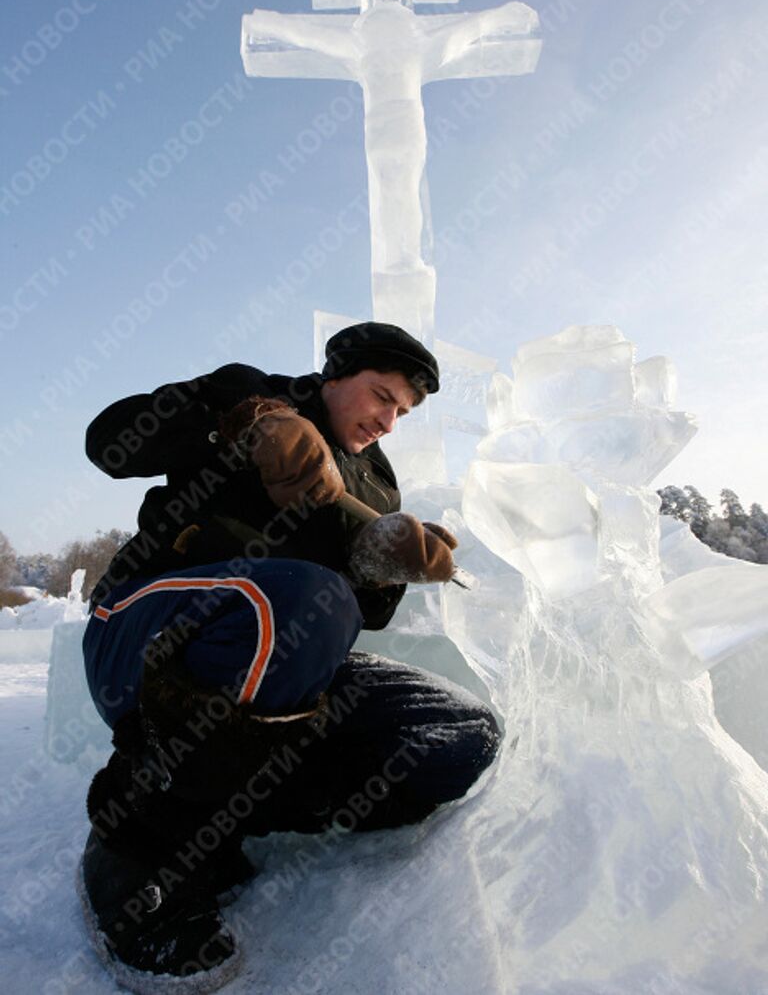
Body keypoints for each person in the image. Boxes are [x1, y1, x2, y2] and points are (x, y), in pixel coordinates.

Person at [79, 321, 501, 992]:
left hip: (281, 648)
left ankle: (233, 803)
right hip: (142, 633)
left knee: (457, 732)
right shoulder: (246, 390)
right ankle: (144, 840)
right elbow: (108, 440)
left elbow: (363, 614)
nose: (389, 421)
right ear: (335, 375)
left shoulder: (377, 482)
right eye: (381, 395)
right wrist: (245, 423)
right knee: (307, 596)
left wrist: (382, 563)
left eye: (403, 411)